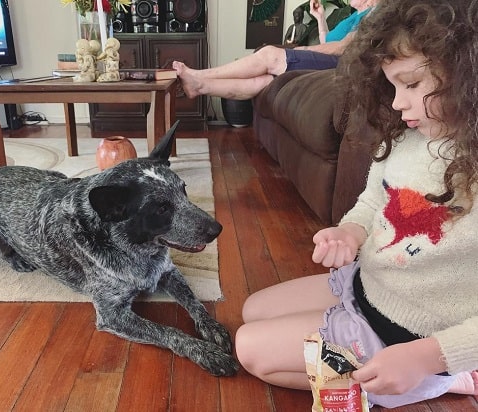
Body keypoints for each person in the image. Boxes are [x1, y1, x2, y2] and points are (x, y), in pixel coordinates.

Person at [234, 0, 478, 408]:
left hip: (416, 339)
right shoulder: (404, 138)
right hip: (369, 287)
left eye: (412, 85)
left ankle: (443, 379)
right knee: (251, 309)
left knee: (250, 349)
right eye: (392, 87)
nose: (398, 103)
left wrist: (428, 357)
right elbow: (370, 200)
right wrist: (350, 231)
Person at [172, 0, 378, 100]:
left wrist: (304, 49)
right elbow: (328, 40)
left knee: (270, 54)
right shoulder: (352, 16)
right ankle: (199, 86)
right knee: (262, 82)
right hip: (331, 58)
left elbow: (344, 47)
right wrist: (320, 18)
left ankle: (198, 75)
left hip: (342, 63)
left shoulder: (373, 14)